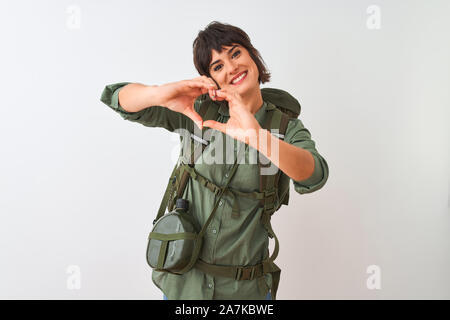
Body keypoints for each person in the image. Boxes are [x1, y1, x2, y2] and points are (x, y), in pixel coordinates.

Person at [100, 21, 329, 300]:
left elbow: (315, 175)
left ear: (253, 56)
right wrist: (160, 93)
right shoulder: (196, 111)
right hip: (184, 286)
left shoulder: (285, 127)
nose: (231, 68)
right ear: (211, 79)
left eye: (235, 54)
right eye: (217, 66)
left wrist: (259, 137)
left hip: (246, 292)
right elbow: (117, 97)